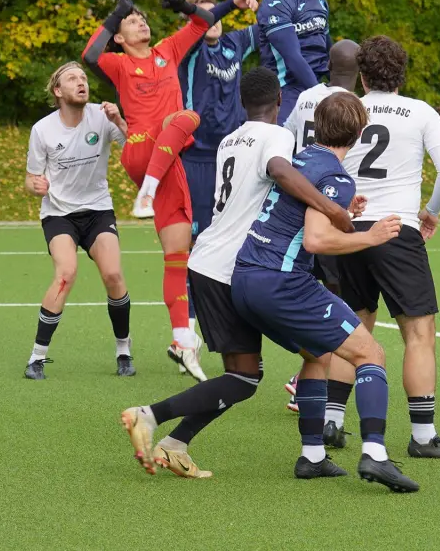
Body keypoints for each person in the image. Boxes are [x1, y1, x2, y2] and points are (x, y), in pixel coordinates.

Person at [119, 69, 359, 478]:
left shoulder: (231, 138)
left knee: (271, 366)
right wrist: (333, 207)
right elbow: (281, 171)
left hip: (210, 260)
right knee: (246, 377)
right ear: (279, 99)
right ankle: (150, 415)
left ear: (241, 101)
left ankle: (176, 444)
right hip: (232, 268)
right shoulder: (277, 136)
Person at [228, 92, 416, 491]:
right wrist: (370, 236)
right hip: (280, 281)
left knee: (318, 355)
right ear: (359, 133)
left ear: (317, 127)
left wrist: (342, 210)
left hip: (245, 276)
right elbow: (315, 240)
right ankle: (375, 454)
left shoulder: (303, 159)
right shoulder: (336, 177)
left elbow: (300, 215)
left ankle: (312, 456)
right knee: (370, 353)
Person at [83, 0, 256, 381]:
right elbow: (90, 56)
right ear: (119, 38)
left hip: (168, 161)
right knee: (188, 117)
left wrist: (185, 7)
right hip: (142, 149)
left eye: (143, 18)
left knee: (178, 255)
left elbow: (203, 22)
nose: (141, 22)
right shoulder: (118, 63)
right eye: (132, 21)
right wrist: (114, 14)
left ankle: (182, 340)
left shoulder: (167, 51)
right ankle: (145, 191)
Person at [338, 36, 440, 459]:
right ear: (401, 75)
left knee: (351, 326)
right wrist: (431, 211)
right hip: (396, 229)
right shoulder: (420, 111)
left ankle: (331, 423)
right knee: (419, 332)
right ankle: (423, 436)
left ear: (362, 76)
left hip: (348, 228)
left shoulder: (346, 107)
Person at [23, 62, 133, 380]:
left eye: (83, 77)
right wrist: (35, 186)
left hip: (98, 210)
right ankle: (37, 357)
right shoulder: (42, 130)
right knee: (65, 274)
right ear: (58, 91)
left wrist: (119, 120)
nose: (81, 82)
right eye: (72, 78)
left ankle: (123, 351)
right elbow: (30, 179)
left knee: (113, 274)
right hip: (59, 214)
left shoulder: (102, 115)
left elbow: (134, 146)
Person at [279, 37, 360, 419]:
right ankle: (306, 380)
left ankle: (306, 377)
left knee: (318, 292)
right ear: (359, 71)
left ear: (328, 64)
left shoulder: (307, 97)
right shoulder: (356, 105)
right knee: (334, 300)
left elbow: (288, 141)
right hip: (333, 205)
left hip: (298, 203)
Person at [177, 0, 260, 239]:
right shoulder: (188, 49)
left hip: (233, 152)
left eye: (216, 14)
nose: (213, 20)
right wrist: (231, 4)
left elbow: (269, 27)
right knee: (197, 233)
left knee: (233, 229)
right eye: (205, 15)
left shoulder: (235, 43)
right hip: (197, 154)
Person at [256, 0, 332, 121]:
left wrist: (338, 90)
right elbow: (292, 57)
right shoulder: (277, 0)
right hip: (285, 92)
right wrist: (320, 95)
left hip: (316, 88)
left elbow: (328, 53)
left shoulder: (319, 0)